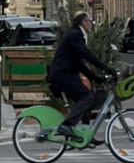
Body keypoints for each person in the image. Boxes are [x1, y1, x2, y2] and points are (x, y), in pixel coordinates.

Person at [48, 11, 116, 139]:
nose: (91, 24)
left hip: (65, 75)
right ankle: (66, 125)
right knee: (88, 98)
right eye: (90, 21)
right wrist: (106, 68)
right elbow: (86, 54)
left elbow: (79, 63)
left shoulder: (75, 34)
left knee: (88, 99)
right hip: (62, 76)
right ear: (83, 22)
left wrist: (95, 78)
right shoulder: (75, 35)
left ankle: (85, 135)